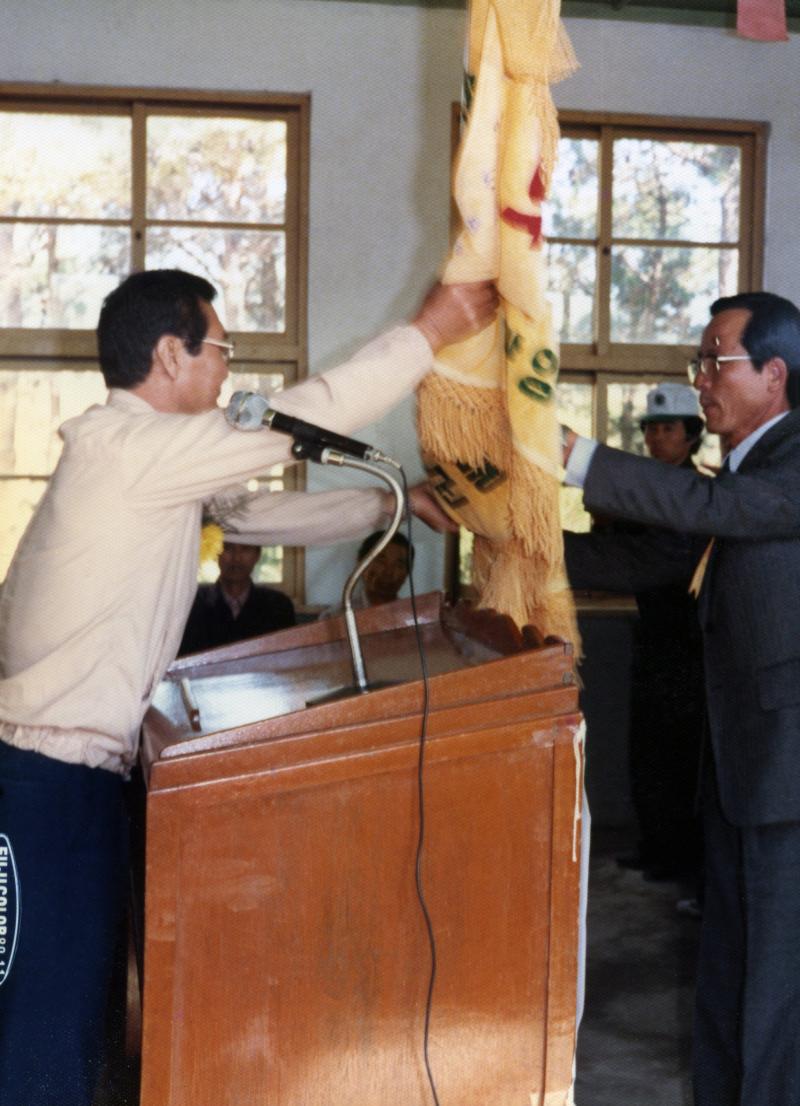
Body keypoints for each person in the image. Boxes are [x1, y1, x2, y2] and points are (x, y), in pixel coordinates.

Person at [0, 267, 497, 1106]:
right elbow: (317, 409)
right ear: (171, 353)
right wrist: (431, 328)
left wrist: (395, 505)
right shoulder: (127, 449)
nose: (228, 370)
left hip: (81, 782)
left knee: (82, 1017)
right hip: (42, 784)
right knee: (41, 1027)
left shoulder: (154, 460)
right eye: (222, 349)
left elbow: (256, 517)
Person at [560, 291, 800, 1106]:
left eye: (714, 361)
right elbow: (653, 562)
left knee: (776, 990)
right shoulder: (743, 467)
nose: (700, 379)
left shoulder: (791, 460)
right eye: (698, 362)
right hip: (738, 771)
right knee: (726, 974)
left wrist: (575, 456)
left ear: (774, 373)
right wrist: (508, 530)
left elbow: (706, 511)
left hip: (787, 776)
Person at [564, 383, 706, 886]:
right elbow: (610, 544)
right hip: (651, 641)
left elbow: (631, 563)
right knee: (646, 747)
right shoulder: (636, 491)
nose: (656, 438)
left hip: (693, 650)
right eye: (650, 429)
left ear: (691, 437)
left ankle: (680, 857)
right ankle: (655, 846)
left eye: (668, 429)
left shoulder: (700, 496)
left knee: (680, 757)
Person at [178, 540, 295, 656]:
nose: (236, 558)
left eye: (245, 549)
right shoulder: (193, 603)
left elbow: (288, 658)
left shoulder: (278, 605)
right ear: (215, 553)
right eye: (228, 548)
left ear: (258, 555)